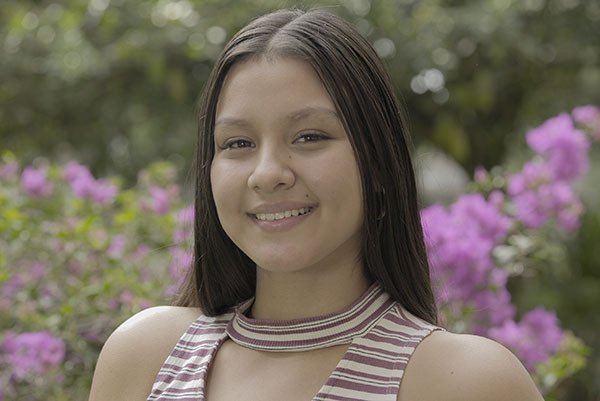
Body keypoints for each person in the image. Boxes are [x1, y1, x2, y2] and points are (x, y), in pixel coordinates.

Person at [89, 8, 545, 401]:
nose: (267, 173)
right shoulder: (145, 356)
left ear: (380, 165)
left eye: (310, 137)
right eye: (238, 142)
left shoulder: (463, 382)